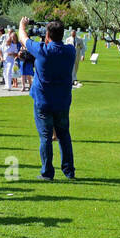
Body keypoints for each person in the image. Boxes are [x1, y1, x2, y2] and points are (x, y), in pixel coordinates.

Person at [19, 15, 78, 181]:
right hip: (63, 101)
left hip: (43, 101)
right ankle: (69, 171)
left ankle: (47, 172)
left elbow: (23, 38)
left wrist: (22, 25)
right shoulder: (70, 51)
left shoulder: (42, 50)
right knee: (64, 136)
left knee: (45, 137)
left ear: (47, 35)